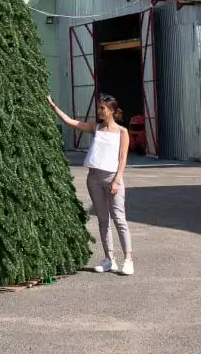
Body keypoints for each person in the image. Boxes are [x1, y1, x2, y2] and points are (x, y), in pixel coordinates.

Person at [48, 93, 134, 275]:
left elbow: (123, 158)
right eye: (99, 107)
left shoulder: (122, 132)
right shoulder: (96, 128)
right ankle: (109, 260)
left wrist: (117, 180)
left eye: (103, 108)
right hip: (93, 178)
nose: (99, 111)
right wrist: (53, 106)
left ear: (112, 110)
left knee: (119, 218)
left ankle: (128, 260)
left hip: (112, 178)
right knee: (103, 219)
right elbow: (71, 122)